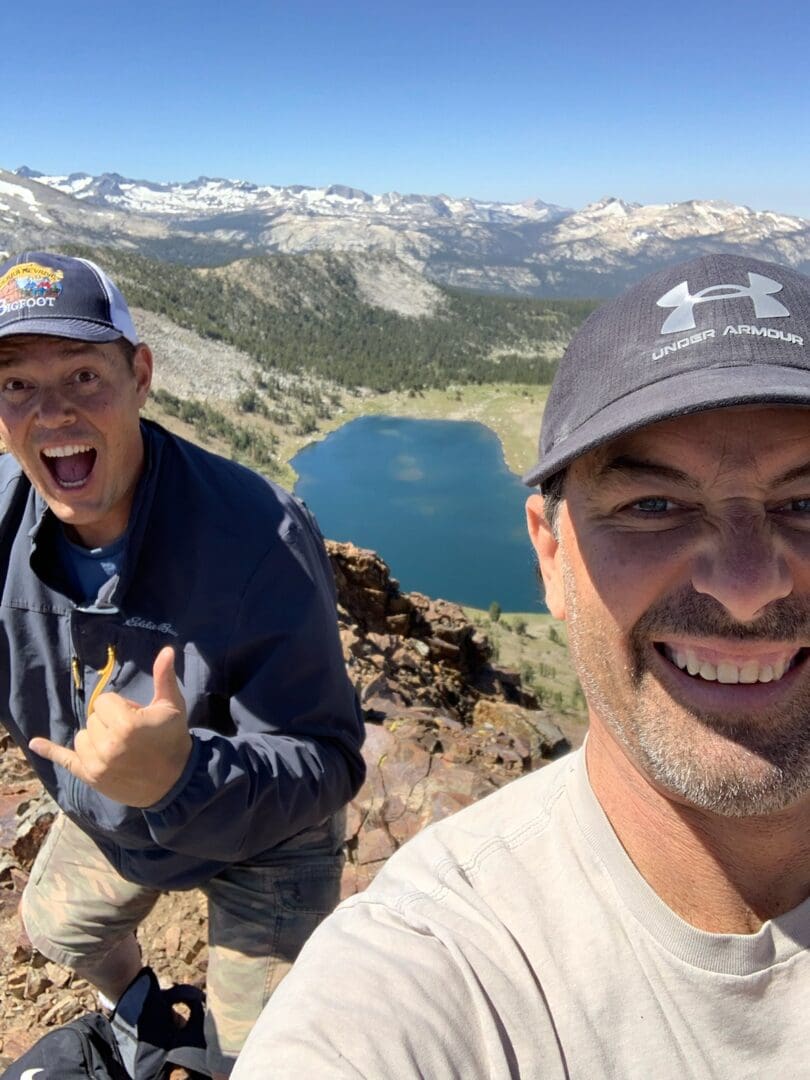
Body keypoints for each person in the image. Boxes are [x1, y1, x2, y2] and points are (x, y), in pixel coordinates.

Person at [233, 252, 810, 1078]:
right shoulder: (433, 972)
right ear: (550, 554)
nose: (749, 585)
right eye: (653, 506)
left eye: (807, 501)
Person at [0, 251, 366, 1078]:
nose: (51, 412)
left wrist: (178, 778)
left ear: (141, 376)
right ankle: (146, 1013)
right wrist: (133, 791)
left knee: (271, 1057)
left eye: (85, 375)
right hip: (108, 817)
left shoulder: (259, 534)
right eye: (18, 384)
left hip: (269, 839)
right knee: (57, 928)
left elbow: (329, 759)